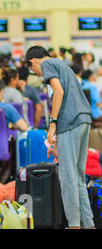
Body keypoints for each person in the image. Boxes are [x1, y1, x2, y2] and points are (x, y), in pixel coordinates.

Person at [26, 45, 94, 229]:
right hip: (84, 120)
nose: (39, 75)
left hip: (69, 122)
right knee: (79, 178)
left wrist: (53, 123)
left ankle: (73, 225)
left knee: (67, 177)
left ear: (32, 62)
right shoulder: (62, 64)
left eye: (34, 71)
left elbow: (59, 92)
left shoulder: (47, 64)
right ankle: (88, 224)